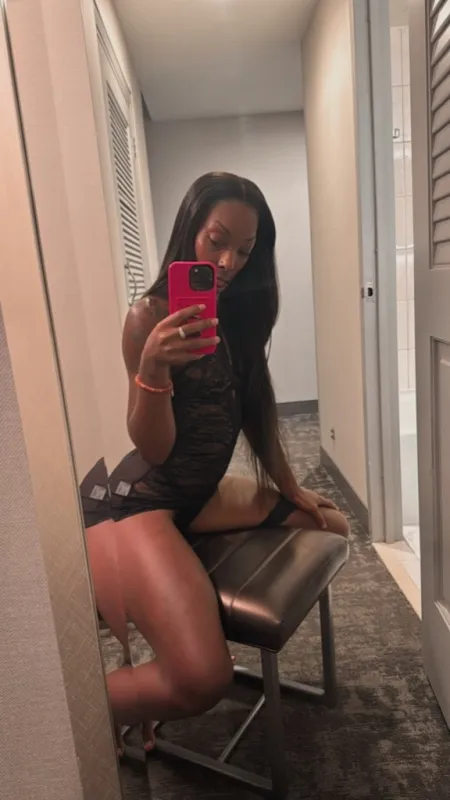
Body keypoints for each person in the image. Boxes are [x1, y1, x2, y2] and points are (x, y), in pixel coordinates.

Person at [86, 172, 350, 753]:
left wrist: (289, 487)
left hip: (201, 494)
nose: (229, 263)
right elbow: (155, 451)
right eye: (217, 241)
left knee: (330, 522)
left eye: (246, 250)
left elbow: (256, 408)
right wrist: (152, 369)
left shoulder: (237, 314)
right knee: (204, 679)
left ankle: (153, 673)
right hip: (144, 502)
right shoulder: (148, 317)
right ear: (191, 231)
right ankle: (78, 710)